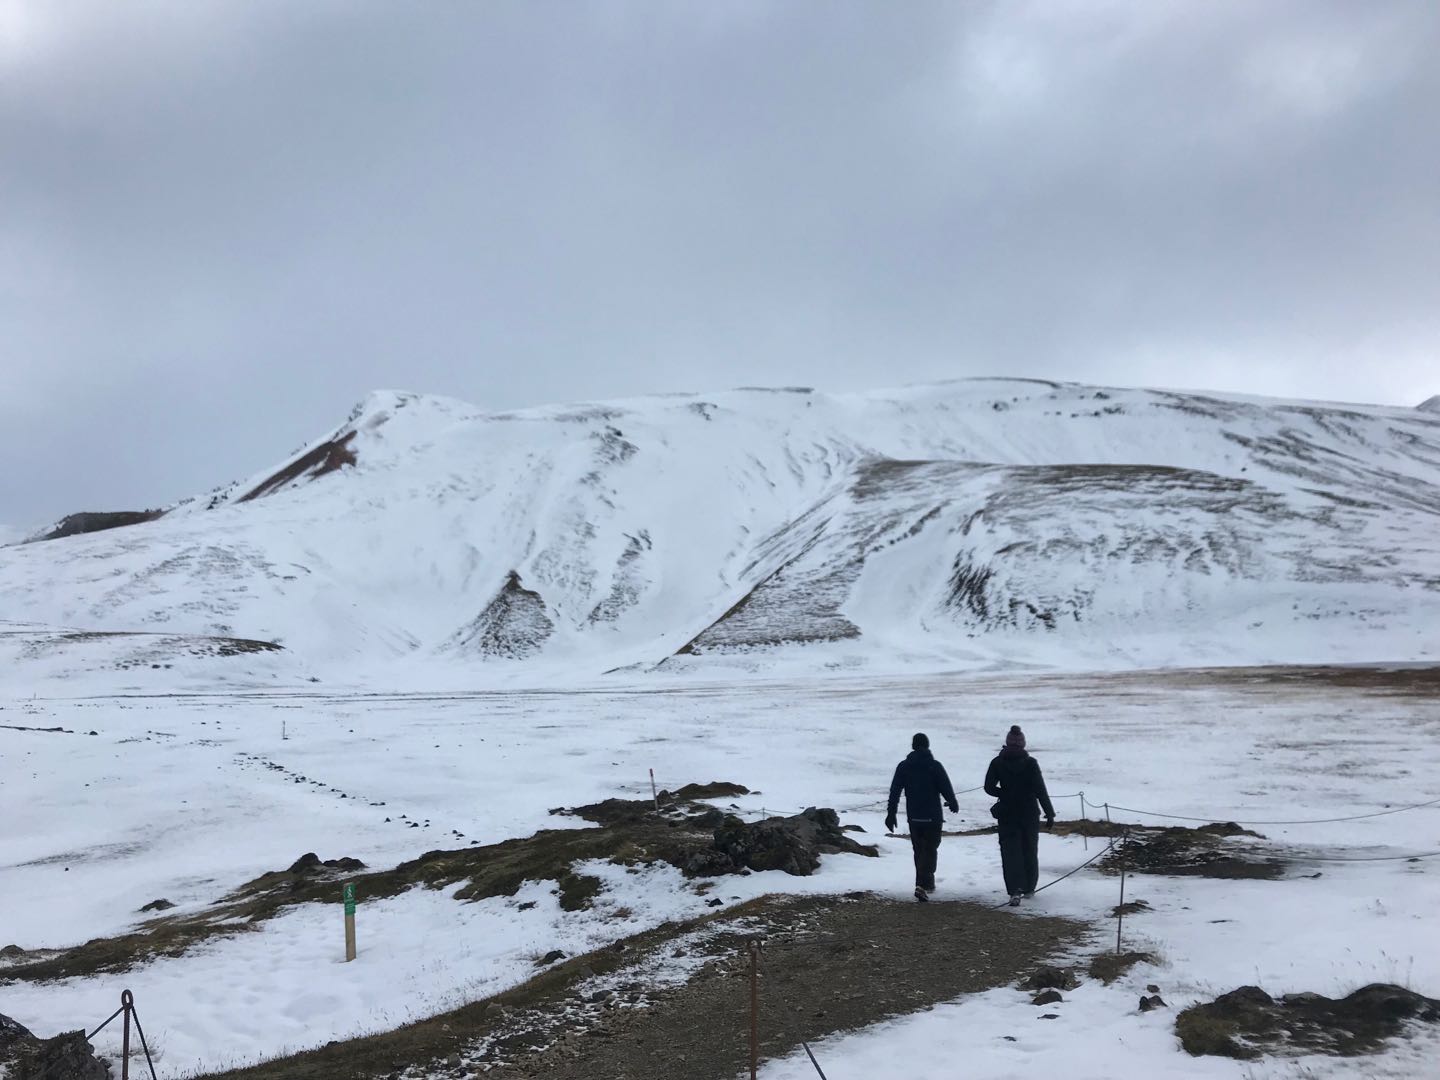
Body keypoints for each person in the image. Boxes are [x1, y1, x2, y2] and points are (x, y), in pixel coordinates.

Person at [984, 725, 1056, 906]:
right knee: (1029, 850)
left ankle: (1014, 890)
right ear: (1023, 744)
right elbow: (1040, 790)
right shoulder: (1031, 763)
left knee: (1010, 852)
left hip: (1007, 812)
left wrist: (1003, 793)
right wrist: (1049, 813)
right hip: (1029, 812)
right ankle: (1030, 888)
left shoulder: (998, 762)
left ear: (1007, 742)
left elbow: (988, 787)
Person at [886, 732, 959, 902]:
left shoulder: (904, 766)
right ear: (927, 746)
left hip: (914, 816)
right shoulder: (934, 765)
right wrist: (953, 802)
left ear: (913, 746)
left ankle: (926, 883)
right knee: (930, 849)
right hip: (933, 817)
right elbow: (945, 787)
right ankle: (923, 884)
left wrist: (891, 814)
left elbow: (895, 791)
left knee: (919, 850)